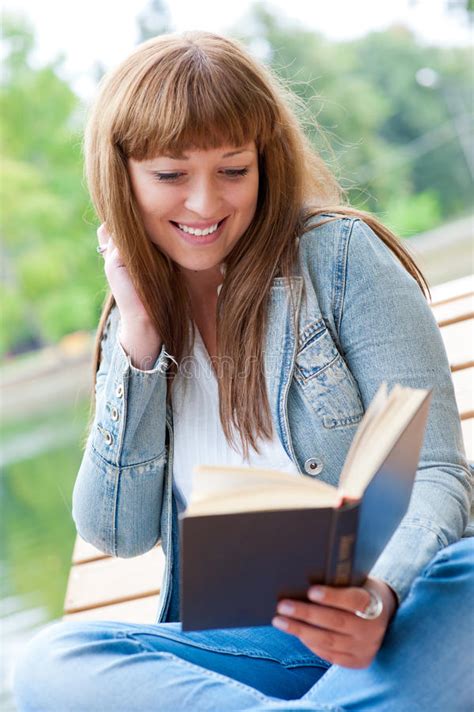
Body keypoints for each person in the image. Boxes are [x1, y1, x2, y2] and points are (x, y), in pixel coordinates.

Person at [13, 31, 473, 712]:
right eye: (171, 175)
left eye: (233, 170)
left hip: (397, 613)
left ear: (265, 162)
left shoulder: (342, 260)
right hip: (254, 649)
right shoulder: (131, 327)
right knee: (52, 664)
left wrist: (380, 597)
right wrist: (138, 338)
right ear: (122, 177)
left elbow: (438, 472)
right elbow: (117, 531)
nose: (205, 204)